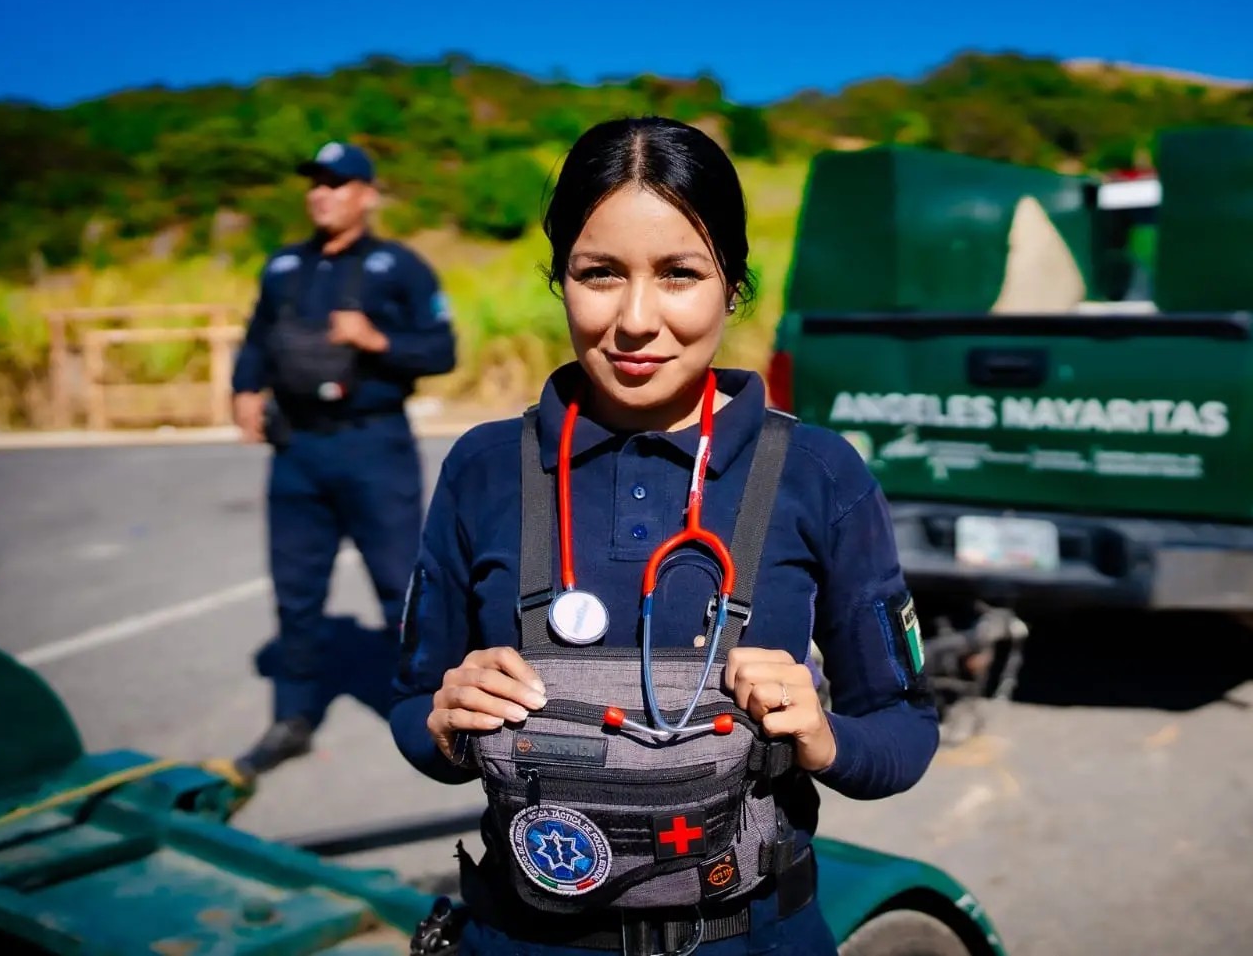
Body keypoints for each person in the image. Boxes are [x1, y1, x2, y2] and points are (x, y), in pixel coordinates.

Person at [389, 116, 939, 955]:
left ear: (734, 285)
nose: (636, 320)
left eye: (680, 274)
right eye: (599, 273)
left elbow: (904, 727)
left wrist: (824, 736)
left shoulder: (819, 473)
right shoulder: (485, 467)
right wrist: (444, 721)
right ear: (559, 279)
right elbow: (411, 705)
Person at [230, 140, 457, 778]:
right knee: (296, 590)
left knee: (400, 586)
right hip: (297, 448)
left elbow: (441, 351)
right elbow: (257, 338)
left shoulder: (400, 267)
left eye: (336, 184)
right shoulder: (283, 266)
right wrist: (243, 390)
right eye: (315, 184)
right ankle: (292, 718)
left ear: (367, 195)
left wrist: (376, 339)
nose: (321, 194)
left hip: (373, 445)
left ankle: (426, 715)